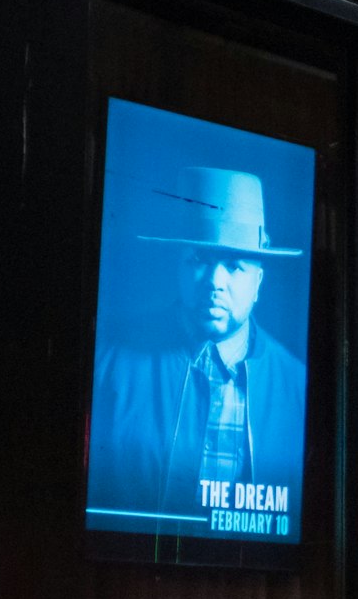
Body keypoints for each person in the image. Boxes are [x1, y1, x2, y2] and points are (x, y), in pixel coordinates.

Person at [85, 165, 308, 536]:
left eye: (235, 266)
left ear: (259, 281)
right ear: (178, 265)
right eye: (199, 260)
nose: (215, 282)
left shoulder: (298, 388)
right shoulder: (106, 361)